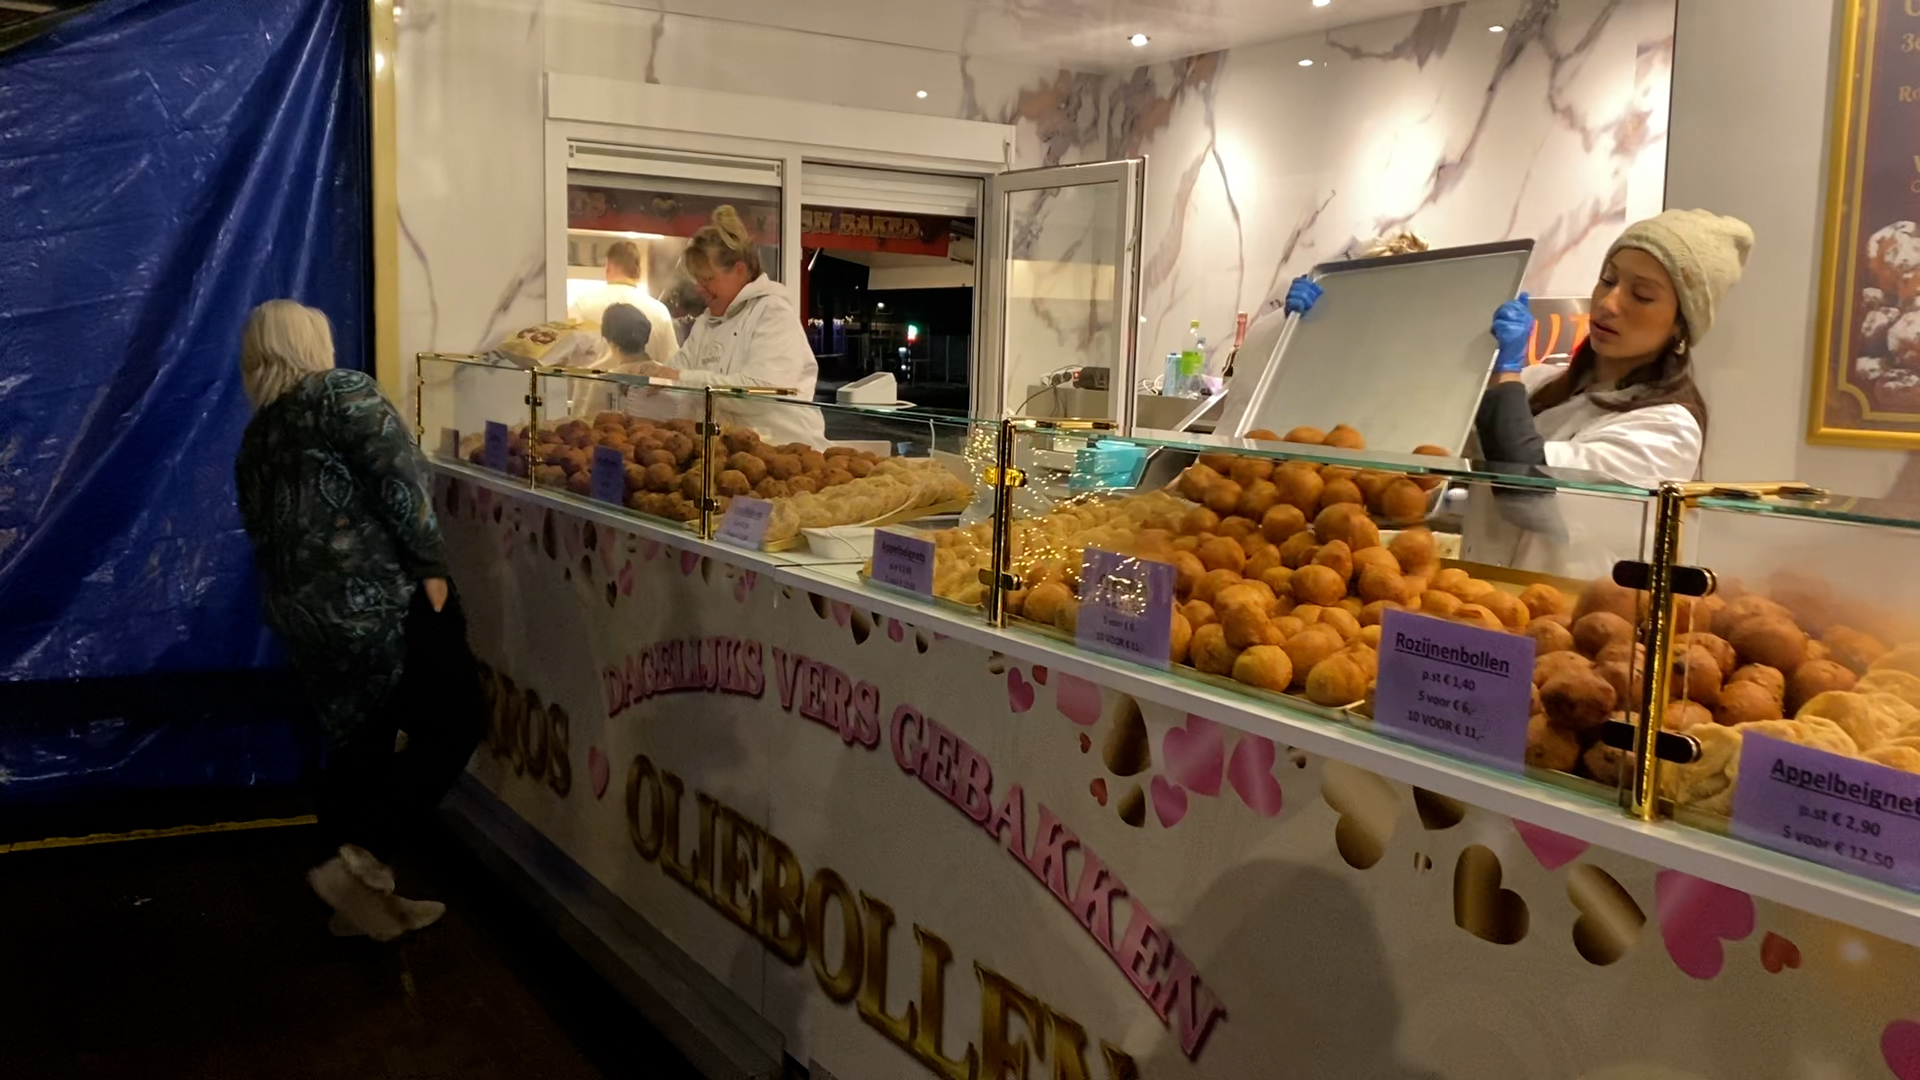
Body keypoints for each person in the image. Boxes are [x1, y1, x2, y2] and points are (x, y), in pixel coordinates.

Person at [233, 300, 485, 942]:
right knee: (456, 722)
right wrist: (431, 566)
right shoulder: (341, 392)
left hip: (306, 618)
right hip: (380, 601)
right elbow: (401, 481)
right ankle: (359, 860)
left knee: (358, 746)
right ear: (311, 343)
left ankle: (355, 909)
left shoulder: (258, 437)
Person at [626, 205, 826, 447]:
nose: (700, 288)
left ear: (739, 271)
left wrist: (678, 377)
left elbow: (761, 392)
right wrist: (646, 378)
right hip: (722, 451)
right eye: (698, 280)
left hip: (781, 451)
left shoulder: (773, 313)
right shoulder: (706, 323)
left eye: (708, 279)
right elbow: (676, 377)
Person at [568, 239, 676, 369]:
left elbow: (561, 354)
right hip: (642, 382)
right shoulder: (659, 311)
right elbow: (672, 365)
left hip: (589, 382)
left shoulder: (583, 305)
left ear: (608, 267)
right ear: (638, 271)